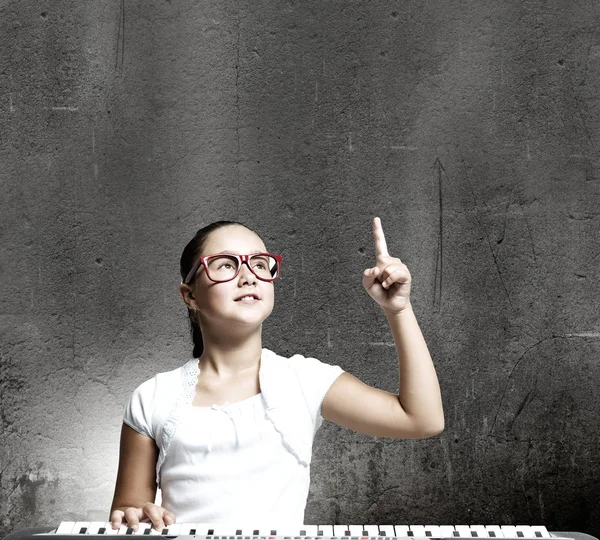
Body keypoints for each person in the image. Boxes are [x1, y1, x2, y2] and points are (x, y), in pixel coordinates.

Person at [109, 217, 444, 531]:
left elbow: (422, 419)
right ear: (190, 295)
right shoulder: (152, 397)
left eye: (259, 263)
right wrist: (136, 515)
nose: (248, 276)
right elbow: (128, 513)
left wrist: (398, 309)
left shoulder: (304, 381)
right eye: (226, 265)